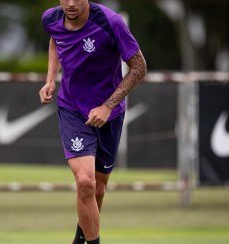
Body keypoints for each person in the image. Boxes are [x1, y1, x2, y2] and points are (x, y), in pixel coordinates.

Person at [39, 1, 147, 243]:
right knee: (85, 182)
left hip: (110, 115)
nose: (70, 3)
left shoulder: (111, 22)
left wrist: (108, 106)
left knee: (97, 190)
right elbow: (55, 40)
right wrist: (50, 79)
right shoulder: (50, 19)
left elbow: (139, 67)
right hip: (72, 110)